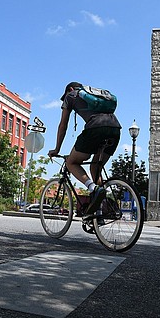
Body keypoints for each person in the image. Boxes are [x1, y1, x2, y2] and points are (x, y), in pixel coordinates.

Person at [48, 81, 121, 217]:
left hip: (95, 128)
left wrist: (56, 149)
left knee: (71, 162)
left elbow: (63, 125)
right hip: (115, 129)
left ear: (70, 89)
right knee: (95, 168)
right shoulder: (96, 94)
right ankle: (99, 212)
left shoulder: (71, 96)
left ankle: (92, 187)